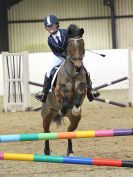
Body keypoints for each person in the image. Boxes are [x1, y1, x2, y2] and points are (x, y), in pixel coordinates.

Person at [35, 15, 100, 103]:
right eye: (48, 26)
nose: (50, 28)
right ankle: (44, 93)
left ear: (57, 25)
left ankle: (90, 91)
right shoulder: (49, 40)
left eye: (52, 25)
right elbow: (55, 52)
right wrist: (64, 55)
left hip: (73, 56)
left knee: (85, 69)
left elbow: (75, 39)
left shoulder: (66, 32)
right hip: (59, 57)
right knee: (49, 71)